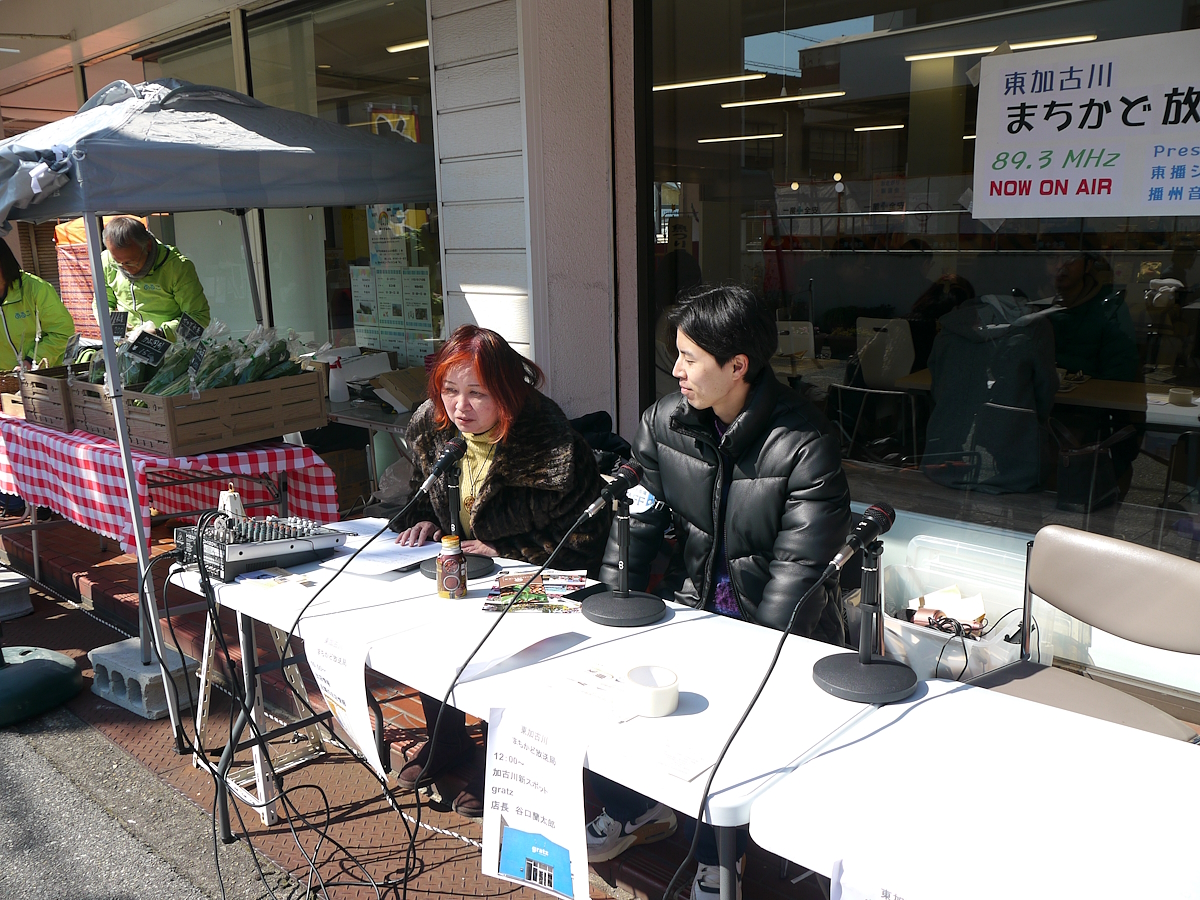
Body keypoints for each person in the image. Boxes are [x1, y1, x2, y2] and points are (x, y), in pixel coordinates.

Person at [587, 284, 851, 900]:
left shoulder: (805, 442)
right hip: (689, 603)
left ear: (738, 366)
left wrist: (754, 653)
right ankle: (634, 808)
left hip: (769, 621)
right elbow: (637, 525)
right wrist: (614, 608)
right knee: (626, 692)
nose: (676, 371)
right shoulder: (664, 422)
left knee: (725, 733)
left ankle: (718, 856)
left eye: (690, 358)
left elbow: (799, 569)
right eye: (676, 356)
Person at [391, 324, 611, 817]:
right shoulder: (433, 430)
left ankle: (501, 757)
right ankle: (446, 739)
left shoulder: (553, 446)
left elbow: (583, 541)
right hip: (463, 572)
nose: (459, 407)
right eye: (450, 391)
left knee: (507, 652)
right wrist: (423, 519)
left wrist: (506, 548)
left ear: (508, 392)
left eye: (477, 394)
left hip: (541, 580)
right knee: (427, 628)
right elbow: (418, 493)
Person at [923, 294, 1058, 493]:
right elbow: (1045, 392)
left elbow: (938, 387)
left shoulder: (949, 329)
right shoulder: (1035, 328)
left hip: (942, 466)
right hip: (1015, 472)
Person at [1047, 251, 1141, 489]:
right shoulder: (1041, 305)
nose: (1060, 266)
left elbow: (1120, 375)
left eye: (1070, 259)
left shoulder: (1109, 309)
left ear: (1088, 265)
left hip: (1089, 420)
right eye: (1053, 258)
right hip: (1046, 414)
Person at [102, 217, 211, 342]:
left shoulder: (176, 267)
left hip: (170, 347)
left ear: (148, 245)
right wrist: (112, 322)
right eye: (118, 262)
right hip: (127, 344)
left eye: (131, 262)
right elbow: (102, 303)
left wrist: (162, 333)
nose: (125, 268)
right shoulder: (106, 261)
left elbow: (199, 316)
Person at [0, 240, 75, 371]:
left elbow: (62, 333)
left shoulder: (37, 289)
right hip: (6, 379)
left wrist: (31, 361)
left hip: (46, 375)